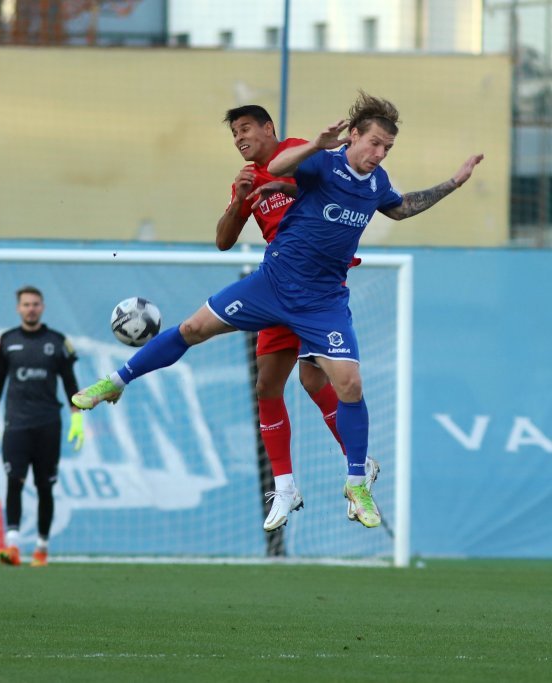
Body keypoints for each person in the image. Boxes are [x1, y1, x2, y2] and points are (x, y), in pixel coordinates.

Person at [74, 92, 483, 529]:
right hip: (271, 284)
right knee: (197, 330)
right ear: (354, 136)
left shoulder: (375, 181)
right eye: (375, 143)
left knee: (348, 383)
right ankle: (116, 382)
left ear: (268, 128)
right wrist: (317, 147)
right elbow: (286, 169)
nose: (380, 153)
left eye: (387, 148)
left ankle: (357, 480)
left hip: (322, 299)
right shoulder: (321, 159)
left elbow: (400, 208)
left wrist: (453, 183)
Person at [214, 104, 378, 532]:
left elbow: (335, 184)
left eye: (245, 128)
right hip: (276, 285)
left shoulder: (303, 156)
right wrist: (239, 199)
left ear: (268, 128)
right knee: (268, 384)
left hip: (315, 287)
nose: (239, 138)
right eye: (234, 133)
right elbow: (223, 242)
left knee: (320, 380)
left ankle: (357, 466)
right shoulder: (249, 177)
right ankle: (285, 487)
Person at [0, 286, 83, 567]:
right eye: (26, 304)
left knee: (45, 486)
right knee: (14, 481)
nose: (31, 308)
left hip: (48, 424)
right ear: (18, 308)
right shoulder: (7, 341)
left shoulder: (58, 342)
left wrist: (77, 415)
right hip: (16, 424)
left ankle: (41, 547)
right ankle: (12, 546)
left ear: (43, 307)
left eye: (36, 304)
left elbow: (69, 380)